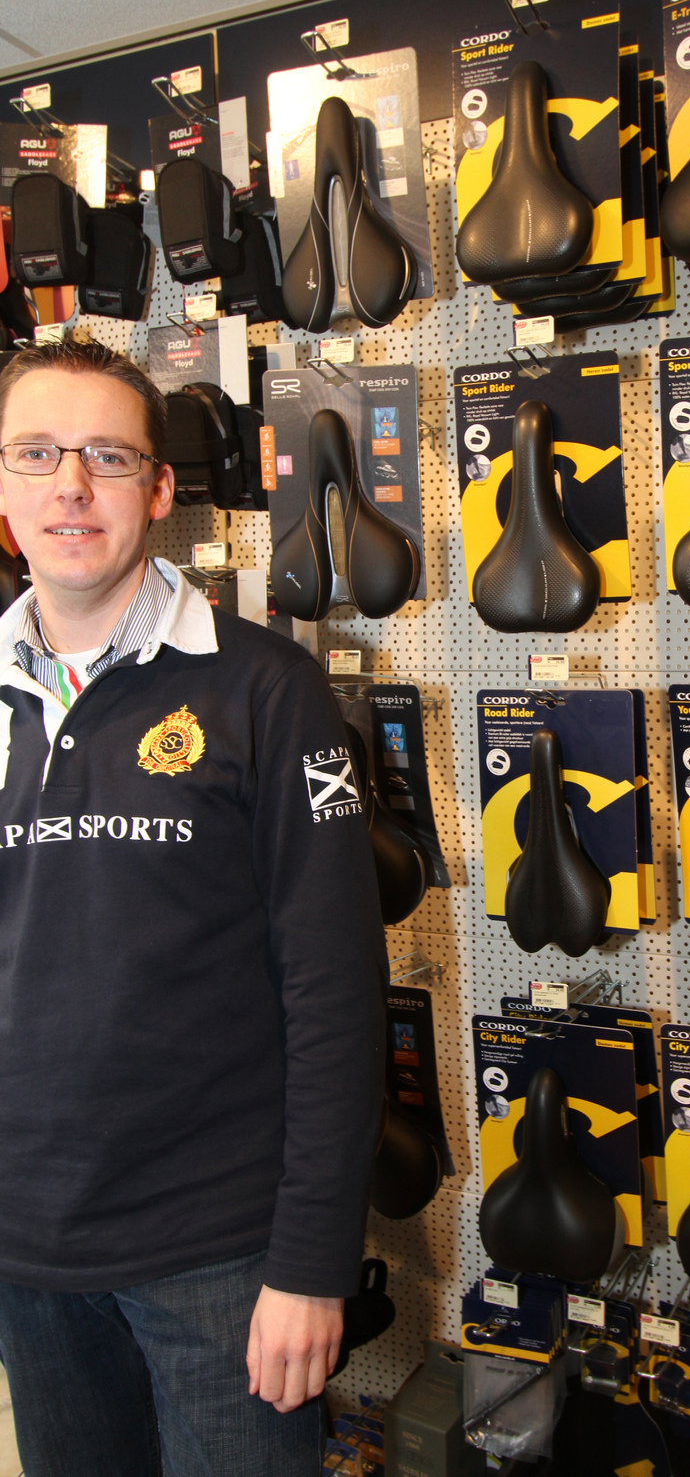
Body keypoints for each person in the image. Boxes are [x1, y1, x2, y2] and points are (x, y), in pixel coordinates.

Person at [0, 337, 388, 1477]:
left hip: (223, 1254)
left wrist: (313, 1260)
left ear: (161, 489)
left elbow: (335, 992)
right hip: (26, 1247)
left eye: (108, 456)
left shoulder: (267, 690)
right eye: (36, 453)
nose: (71, 485)